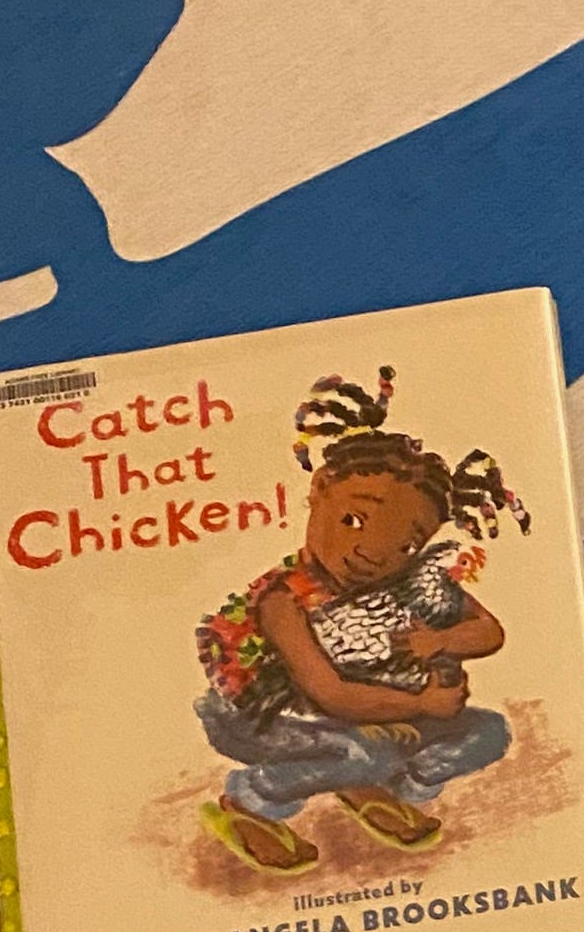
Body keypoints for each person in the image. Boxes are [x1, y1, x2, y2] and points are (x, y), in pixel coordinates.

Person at [194, 366, 524, 872]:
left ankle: (385, 788)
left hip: (366, 716)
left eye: (406, 544)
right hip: (263, 720)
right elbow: (331, 694)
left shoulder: (411, 581)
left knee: (488, 732)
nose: (371, 554)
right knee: (364, 751)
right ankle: (252, 800)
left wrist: (439, 642)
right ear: (321, 488)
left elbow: (488, 631)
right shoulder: (284, 600)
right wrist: (421, 704)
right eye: (354, 520)